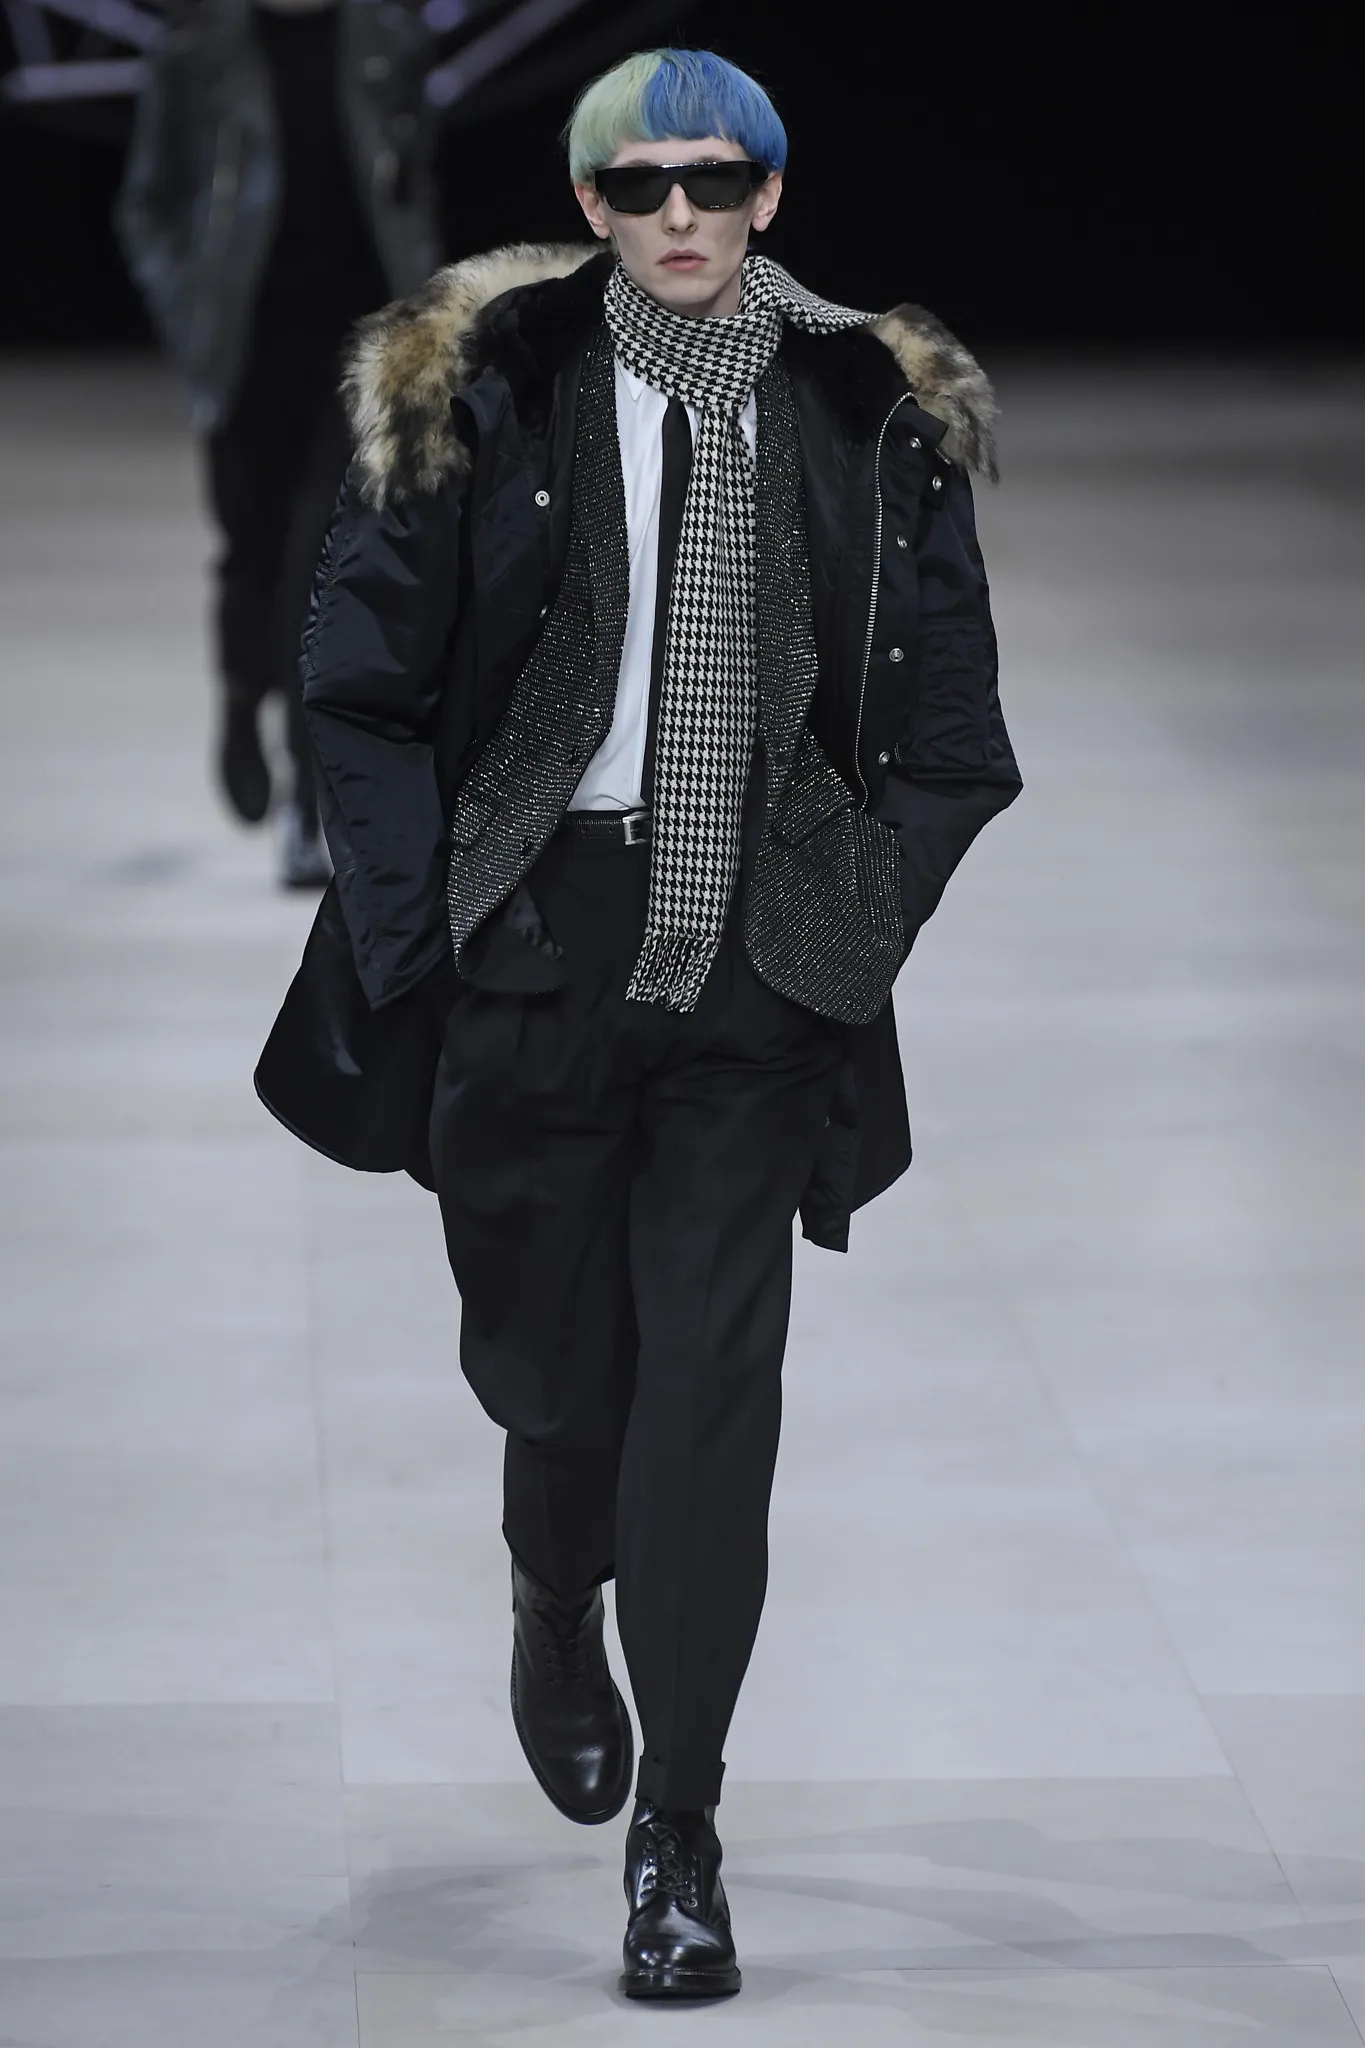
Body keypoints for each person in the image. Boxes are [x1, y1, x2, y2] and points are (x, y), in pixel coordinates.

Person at [256, 47, 1020, 1998]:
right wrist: (425, 932)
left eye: (717, 180)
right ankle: (548, 1578)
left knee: (708, 1396)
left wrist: (857, 917)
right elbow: (354, 681)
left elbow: (954, 734)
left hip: (765, 963)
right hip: (535, 942)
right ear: (592, 205)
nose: (682, 213)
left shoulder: (869, 409)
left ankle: (680, 1830)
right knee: (558, 1373)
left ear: (770, 194)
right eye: (642, 184)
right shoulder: (484, 384)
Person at [116, 0, 439, 886]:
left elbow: (409, 184)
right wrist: (191, 322)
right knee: (251, 554)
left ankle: (309, 797)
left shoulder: (386, 42)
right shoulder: (196, 52)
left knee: (326, 570)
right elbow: (149, 203)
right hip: (246, 348)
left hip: (360, 344)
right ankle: (240, 696)